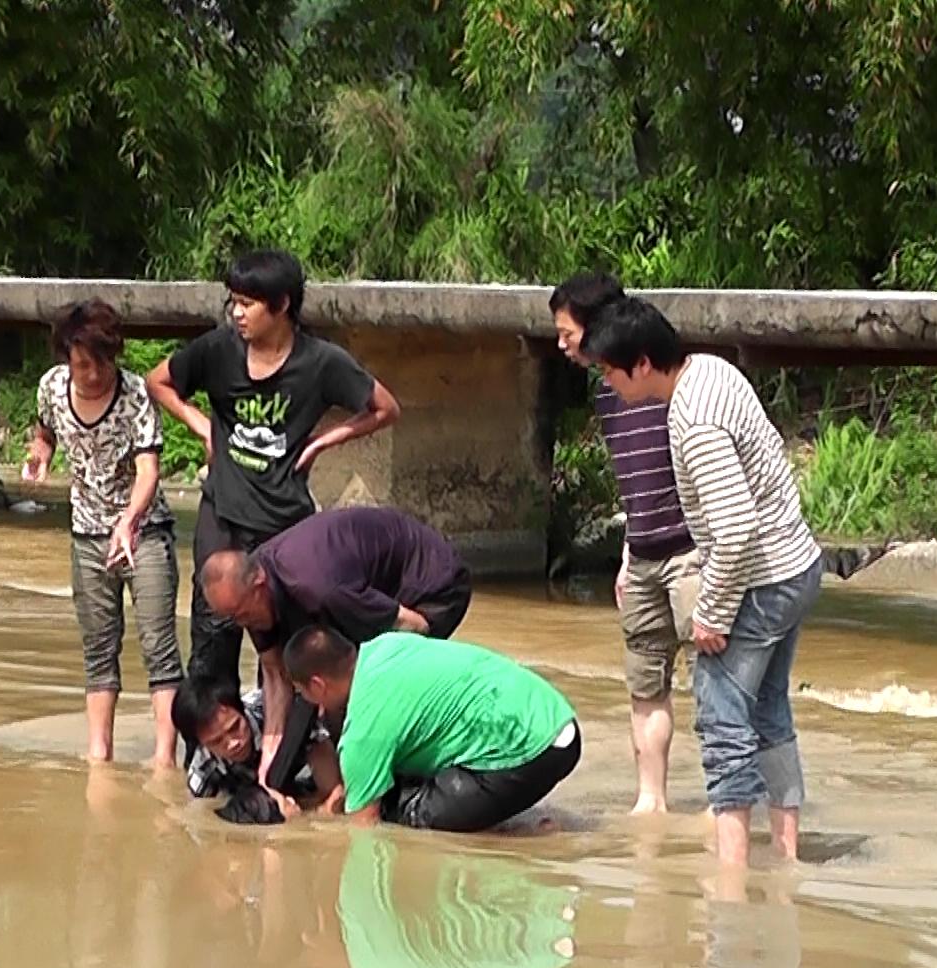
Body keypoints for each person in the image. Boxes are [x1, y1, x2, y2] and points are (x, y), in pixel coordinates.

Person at [582, 297, 823, 865]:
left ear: (642, 364)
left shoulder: (693, 420)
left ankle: (731, 874)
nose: (608, 383)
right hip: (796, 565)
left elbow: (736, 528)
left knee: (721, 725)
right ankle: (786, 857)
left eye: (610, 371)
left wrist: (712, 611)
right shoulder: (715, 369)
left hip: (761, 578)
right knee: (769, 714)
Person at [144, 249, 401, 694]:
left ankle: (291, 749)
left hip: (284, 526)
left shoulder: (321, 362)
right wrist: (201, 425)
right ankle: (210, 755)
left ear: (281, 306)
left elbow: (385, 408)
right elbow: (157, 381)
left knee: (293, 649)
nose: (237, 313)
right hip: (222, 515)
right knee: (212, 639)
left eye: (248, 303)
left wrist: (326, 439)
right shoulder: (218, 350)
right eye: (234, 302)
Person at [550, 271, 697, 815]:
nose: (562, 344)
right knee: (644, 681)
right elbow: (633, 481)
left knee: (714, 685)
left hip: (692, 554)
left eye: (567, 333)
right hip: (644, 557)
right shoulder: (608, 397)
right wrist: (630, 553)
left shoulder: (665, 382)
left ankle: (728, 802)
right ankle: (650, 801)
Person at [197, 505, 472, 780]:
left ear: (259, 584)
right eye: (233, 618)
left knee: (357, 692)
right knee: (328, 692)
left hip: (432, 585)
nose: (243, 624)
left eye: (242, 614)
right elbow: (275, 673)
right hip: (362, 588)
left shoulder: (320, 588)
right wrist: (269, 765)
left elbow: (413, 626)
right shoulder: (250, 596)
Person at [26, 300, 182, 766]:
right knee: (98, 647)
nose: (92, 375)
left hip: (143, 532)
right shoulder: (52, 388)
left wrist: (128, 522)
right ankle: (99, 755)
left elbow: (148, 471)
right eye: (81, 365)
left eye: (101, 363)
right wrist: (40, 455)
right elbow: (45, 433)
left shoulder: (135, 395)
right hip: (87, 535)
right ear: (66, 360)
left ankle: (163, 758)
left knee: (158, 644)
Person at [283, 627, 581, 833]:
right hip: (554, 714)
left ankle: (527, 838)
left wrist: (320, 823)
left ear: (318, 685)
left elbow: (364, 832)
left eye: (302, 692)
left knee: (401, 814)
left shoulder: (362, 734)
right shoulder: (387, 645)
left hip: (535, 750)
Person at [171, 680, 341, 825]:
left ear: (242, 710)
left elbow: (334, 792)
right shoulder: (203, 768)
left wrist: (308, 820)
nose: (233, 743)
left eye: (235, 727)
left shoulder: (285, 716)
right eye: (216, 741)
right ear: (202, 745)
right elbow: (203, 819)